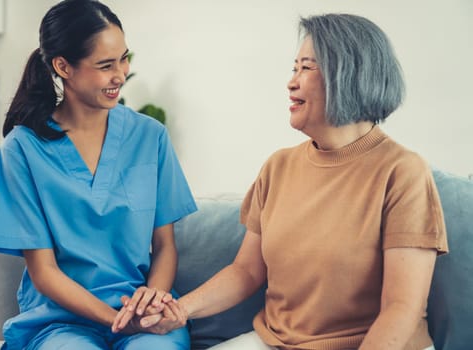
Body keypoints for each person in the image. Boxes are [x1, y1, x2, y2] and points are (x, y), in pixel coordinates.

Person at [113, 13, 448, 350]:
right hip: (275, 341)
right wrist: (178, 311)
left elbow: (401, 310)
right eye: (294, 68)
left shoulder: (403, 172)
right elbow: (246, 272)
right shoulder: (279, 167)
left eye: (307, 67)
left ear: (347, 74)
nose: (292, 82)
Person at [0, 0, 196, 349]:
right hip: (60, 320)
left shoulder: (150, 136)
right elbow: (44, 272)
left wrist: (152, 303)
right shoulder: (22, 149)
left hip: (140, 311)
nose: (120, 74)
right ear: (63, 66)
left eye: (124, 59)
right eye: (105, 65)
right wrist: (115, 321)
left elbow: (164, 246)